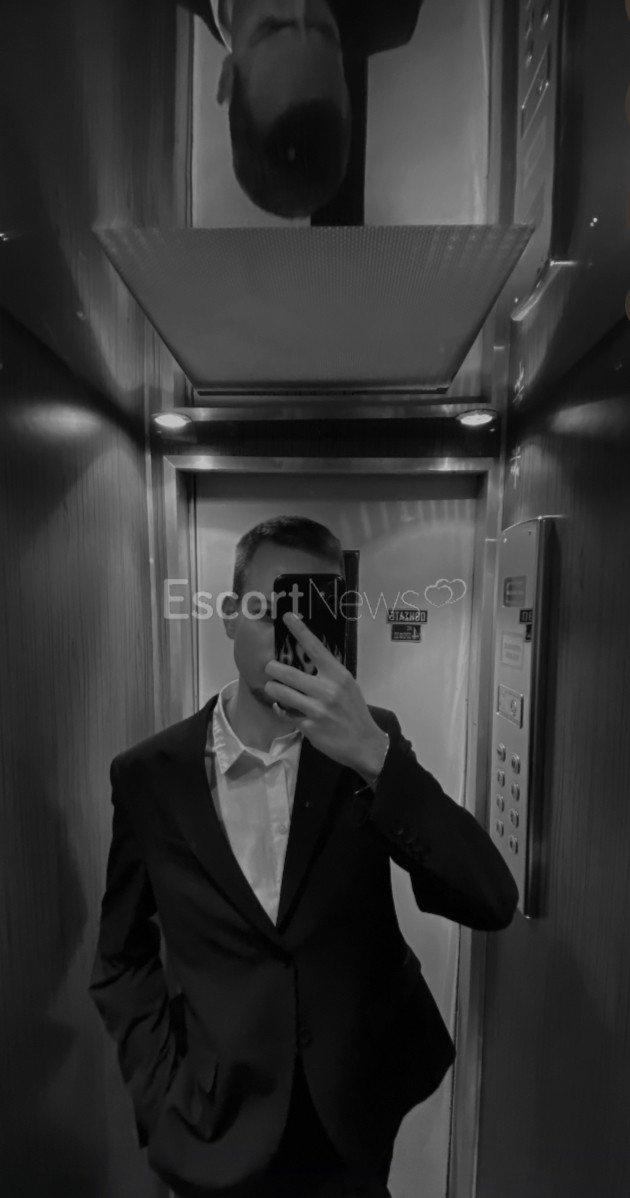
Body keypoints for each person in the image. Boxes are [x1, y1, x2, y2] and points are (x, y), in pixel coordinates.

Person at [89, 515, 519, 1198]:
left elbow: (490, 899)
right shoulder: (150, 776)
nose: (295, 637)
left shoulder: (369, 745)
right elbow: (121, 956)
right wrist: (159, 1098)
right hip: (215, 1118)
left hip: (352, 1111)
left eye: (317, 615)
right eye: (272, 612)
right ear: (229, 616)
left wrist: (376, 758)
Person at [184, 0, 425, 218]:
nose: (300, 3)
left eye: (272, 27)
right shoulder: (391, 10)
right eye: (323, 29)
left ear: (227, 77)